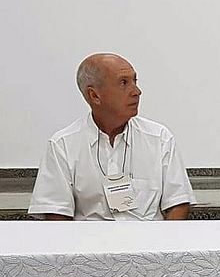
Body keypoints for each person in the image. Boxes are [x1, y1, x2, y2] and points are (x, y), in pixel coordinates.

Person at [28, 53, 194, 220]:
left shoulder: (159, 138)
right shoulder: (63, 145)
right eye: (124, 83)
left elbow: (178, 203)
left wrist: (161, 237)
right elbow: (56, 213)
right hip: (89, 236)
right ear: (94, 95)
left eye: (135, 81)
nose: (137, 92)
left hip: (148, 235)